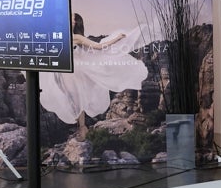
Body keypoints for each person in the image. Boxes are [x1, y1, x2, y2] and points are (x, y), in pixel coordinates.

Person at [40, 12, 148, 141]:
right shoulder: (58, 35)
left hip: (74, 71)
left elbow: (98, 46)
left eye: (73, 19)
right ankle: (80, 126)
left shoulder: (76, 37)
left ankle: (82, 128)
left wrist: (117, 38)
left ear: (75, 23)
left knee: (76, 98)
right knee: (68, 97)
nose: (71, 20)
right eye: (69, 18)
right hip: (61, 70)